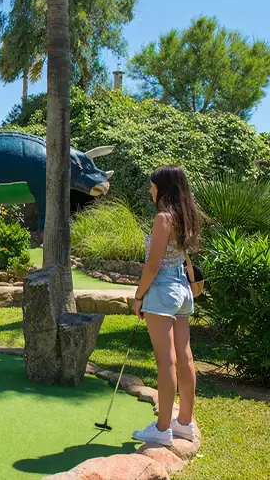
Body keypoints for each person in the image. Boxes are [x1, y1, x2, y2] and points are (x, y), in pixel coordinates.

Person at [131, 165, 202, 446]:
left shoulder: (163, 218)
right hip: (182, 290)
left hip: (162, 290)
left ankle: (162, 429)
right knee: (185, 357)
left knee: (166, 361)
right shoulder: (186, 217)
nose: (150, 189)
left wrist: (138, 297)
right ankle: (184, 423)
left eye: (153, 185)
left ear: (163, 188)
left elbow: (152, 265)